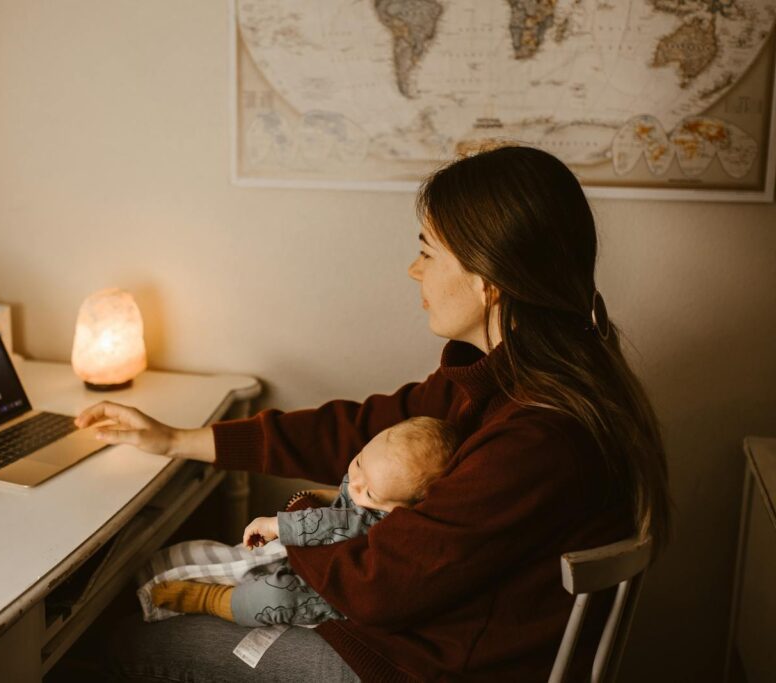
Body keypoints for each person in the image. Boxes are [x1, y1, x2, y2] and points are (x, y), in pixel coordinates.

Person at [74, 145, 671, 682]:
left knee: (119, 641)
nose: (415, 271)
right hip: (425, 636)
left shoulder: (538, 435)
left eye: (426, 252)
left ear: (488, 280)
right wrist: (176, 438)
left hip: (421, 664)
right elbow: (362, 429)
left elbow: (377, 587)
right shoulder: (514, 377)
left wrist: (308, 513)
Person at [150, 416, 457, 627]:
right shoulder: (369, 480)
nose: (356, 484)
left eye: (371, 492)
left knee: (274, 598)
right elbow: (341, 497)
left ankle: (211, 599)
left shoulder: (384, 521)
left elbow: (337, 522)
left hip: (328, 593)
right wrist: (321, 495)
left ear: (404, 507)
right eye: (359, 462)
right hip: (309, 558)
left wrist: (276, 525)